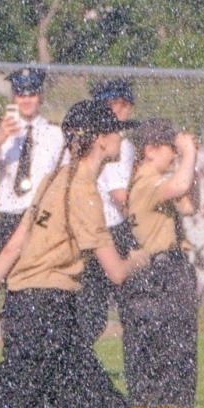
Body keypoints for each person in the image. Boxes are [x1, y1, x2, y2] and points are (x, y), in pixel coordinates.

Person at [0, 100, 151, 408]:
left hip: (28, 314)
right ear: (99, 140)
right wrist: (143, 257)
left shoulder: (54, 180)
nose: (121, 136)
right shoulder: (83, 191)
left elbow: (13, 246)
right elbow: (115, 271)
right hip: (48, 319)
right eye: (117, 130)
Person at [120, 118, 202, 408]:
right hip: (160, 278)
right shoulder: (147, 182)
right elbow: (181, 186)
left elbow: (188, 205)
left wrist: (188, 162)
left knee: (154, 363)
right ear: (151, 149)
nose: (174, 152)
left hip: (157, 278)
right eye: (169, 147)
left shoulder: (151, 183)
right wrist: (191, 152)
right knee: (172, 363)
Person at [79, 78, 140, 346]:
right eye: (111, 104)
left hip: (101, 229)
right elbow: (120, 197)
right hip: (109, 230)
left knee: (96, 305)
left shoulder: (114, 141)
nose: (117, 110)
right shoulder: (114, 143)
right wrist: (144, 226)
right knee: (105, 304)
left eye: (123, 104)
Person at [0, 67, 65, 258]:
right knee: (11, 280)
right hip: (11, 216)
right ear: (14, 97)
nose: (27, 99)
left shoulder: (56, 135)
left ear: (41, 96)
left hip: (43, 217)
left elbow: (65, 178)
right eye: (21, 93)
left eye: (32, 93)